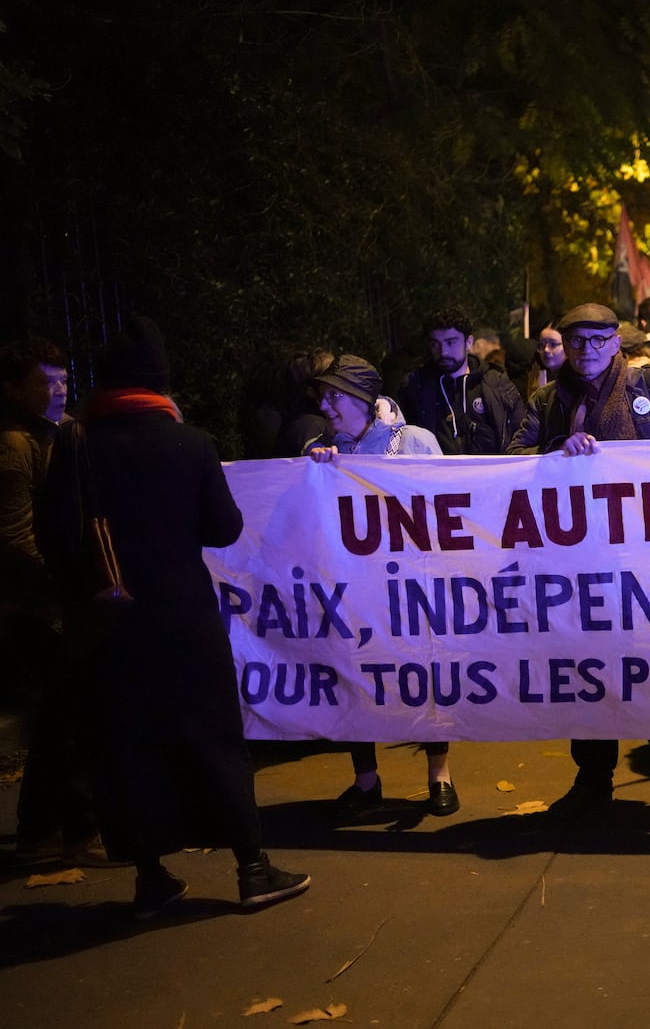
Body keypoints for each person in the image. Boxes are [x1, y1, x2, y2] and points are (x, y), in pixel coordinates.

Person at [37, 316, 309, 916]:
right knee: (213, 737)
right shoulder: (189, 443)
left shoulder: (76, 445)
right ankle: (252, 868)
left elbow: (53, 534)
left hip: (110, 625)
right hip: (183, 618)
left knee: (126, 743)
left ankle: (150, 877)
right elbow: (224, 528)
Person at [508, 303, 650, 821]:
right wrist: (557, 448)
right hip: (576, 562)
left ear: (616, 343)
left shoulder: (649, 387)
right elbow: (511, 456)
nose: (587, 349)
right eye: (577, 340)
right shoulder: (548, 398)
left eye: (598, 339)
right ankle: (592, 778)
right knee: (586, 670)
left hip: (648, 558)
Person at [306, 356, 458, 818]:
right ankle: (366, 779)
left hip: (411, 588)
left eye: (335, 395)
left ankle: (439, 775)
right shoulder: (318, 449)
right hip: (350, 591)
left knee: (426, 675)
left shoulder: (413, 442)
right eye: (323, 394)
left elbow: (447, 507)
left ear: (363, 400)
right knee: (353, 677)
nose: (325, 404)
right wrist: (313, 471)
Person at [3, 336, 105, 865]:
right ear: (15, 388)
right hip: (37, 610)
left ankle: (52, 831)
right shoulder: (16, 447)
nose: (60, 389)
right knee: (64, 720)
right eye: (46, 380)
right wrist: (69, 586)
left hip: (59, 604)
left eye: (64, 378)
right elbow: (15, 539)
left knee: (63, 719)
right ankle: (58, 833)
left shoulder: (56, 436)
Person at [396, 307, 526, 456]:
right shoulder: (416, 388)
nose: (443, 351)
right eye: (435, 344)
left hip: (492, 476)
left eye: (451, 343)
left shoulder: (496, 383)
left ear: (469, 342)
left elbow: (520, 435)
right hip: (436, 476)